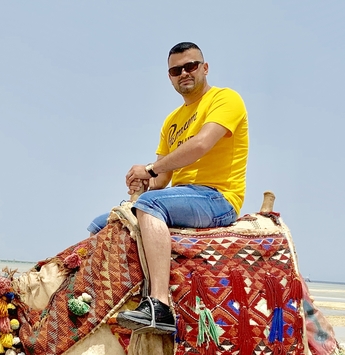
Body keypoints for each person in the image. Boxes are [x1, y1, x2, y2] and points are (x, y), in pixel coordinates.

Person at [90, 42, 248, 333]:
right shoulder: (171, 122)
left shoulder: (225, 99)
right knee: (101, 223)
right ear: (170, 76)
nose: (184, 73)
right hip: (181, 196)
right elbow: (162, 180)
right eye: (177, 70)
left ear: (205, 68)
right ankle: (107, 298)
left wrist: (150, 169)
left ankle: (159, 305)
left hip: (216, 197)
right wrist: (143, 180)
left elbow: (200, 145)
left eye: (191, 66)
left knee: (150, 205)